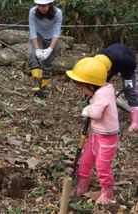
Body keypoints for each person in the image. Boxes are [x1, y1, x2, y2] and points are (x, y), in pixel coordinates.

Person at [66, 57, 119, 205]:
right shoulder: (101, 89)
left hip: (107, 138)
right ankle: (82, 185)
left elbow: (95, 114)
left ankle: (107, 192)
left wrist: (87, 109)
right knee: (85, 161)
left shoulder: (102, 95)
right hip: (96, 133)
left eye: (82, 87)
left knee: (102, 167)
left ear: (91, 84)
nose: (82, 91)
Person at [94, 44, 138, 132]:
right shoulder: (100, 57)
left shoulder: (123, 58)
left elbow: (133, 63)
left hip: (127, 66)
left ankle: (135, 122)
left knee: (130, 91)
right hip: (110, 64)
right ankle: (98, 109)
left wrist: (127, 79)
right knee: (99, 86)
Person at [28, 0, 62, 97]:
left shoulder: (58, 13)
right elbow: (32, 30)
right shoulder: (33, 12)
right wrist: (37, 49)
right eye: (39, 5)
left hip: (51, 37)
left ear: (50, 4)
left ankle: (42, 89)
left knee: (48, 62)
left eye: (44, 5)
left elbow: (56, 32)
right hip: (37, 35)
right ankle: (36, 83)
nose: (41, 8)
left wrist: (50, 49)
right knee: (32, 54)